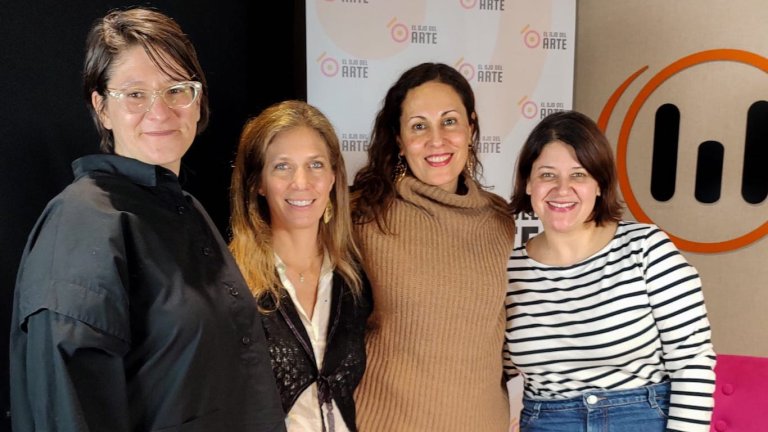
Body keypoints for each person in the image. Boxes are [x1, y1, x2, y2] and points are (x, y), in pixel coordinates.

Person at [9, 8, 285, 432]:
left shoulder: (186, 209)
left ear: (198, 102)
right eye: (135, 94)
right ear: (101, 108)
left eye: (177, 89)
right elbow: (66, 410)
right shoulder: (83, 223)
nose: (160, 111)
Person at [504, 110, 716, 431]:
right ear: (528, 183)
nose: (562, 189)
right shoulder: (508, 271)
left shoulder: (646, 247)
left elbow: (693, 362)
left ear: (600, 185)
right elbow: (491, 370)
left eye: (579, 175)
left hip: (641, 420)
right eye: (547, 175)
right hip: (546, 422)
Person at [350, 62, 516, 431]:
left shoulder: (501, 221)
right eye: (419, 126)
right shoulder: (363, 217)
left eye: (450, 121)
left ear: (471, 127)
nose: (436, 140)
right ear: (398, 138)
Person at [229, 100, 372, 432]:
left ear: (334, 176)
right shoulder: (231, 282)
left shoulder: (354, 280)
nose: (301, 182)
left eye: (316, 165)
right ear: (257, 183)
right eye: (282, 166)